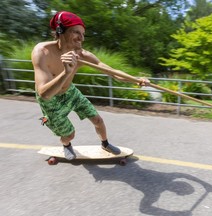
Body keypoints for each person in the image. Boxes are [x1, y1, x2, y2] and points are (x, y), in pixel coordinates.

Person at [31, 11, 150, 160]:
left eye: (83, 34)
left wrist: (137, 80)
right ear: (60, 31)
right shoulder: (42, 52)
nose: (81, 38)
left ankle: (105, 144)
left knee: (98, 120)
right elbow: (45, 93)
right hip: (50, 100)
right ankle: (66, 144)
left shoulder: (82, 55)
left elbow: (112, 72)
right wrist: (66, 72)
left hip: (69, 91)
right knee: (69, 134)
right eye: (76, 32)